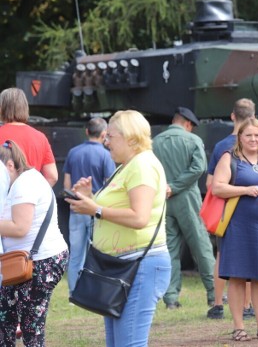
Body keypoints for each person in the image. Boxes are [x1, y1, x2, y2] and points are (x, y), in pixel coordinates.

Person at [65, 110, 170, 347]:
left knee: (128, 344)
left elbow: (139, 217)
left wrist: (96, 210)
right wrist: (89, 198)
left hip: (138, 267)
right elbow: (118, 206)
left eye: (110, 136)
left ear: (130, 137)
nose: (106, 141)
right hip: (123, 268)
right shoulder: (128, 165)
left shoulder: (141, 165)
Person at [211, 118, 258, 342]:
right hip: (237, 225)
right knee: (237, 276)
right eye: (248, 135)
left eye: (257, 136)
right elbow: (217, 187)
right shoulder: (229, 158)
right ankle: (238, 327)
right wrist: (244, 189)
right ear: (240, 138)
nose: (253, 139)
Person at [0, 140, 68, 346]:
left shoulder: (25, 183)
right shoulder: (24, 180)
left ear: (10, 165)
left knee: (31, 330)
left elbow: (20, 228)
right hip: (21, 263)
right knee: (5, 322)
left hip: (40, 262)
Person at [152, 107, 215, 314]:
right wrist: (177, 186)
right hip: (187, 198)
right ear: (188, 124)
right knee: (201, 246)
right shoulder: (192, 140)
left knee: (169, 248)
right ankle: (214, 294)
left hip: (163, 199)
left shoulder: (156, 142)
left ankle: (170, 298)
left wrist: (167, 187)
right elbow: (198, 169)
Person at [205, 98, 258, 320]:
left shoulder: (221, 146)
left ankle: (218, 304)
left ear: (232, 116)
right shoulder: (257, 143)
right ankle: (247, 306)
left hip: (226, 210)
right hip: (251, 207)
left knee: (222, 254)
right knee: (248, 255)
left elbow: (210, 184)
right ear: (253, 117)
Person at [63, 117, 115, 295]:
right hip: (95, 210)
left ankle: (73, 292)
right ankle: (95, 291)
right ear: (103, 134)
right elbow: (109, 187)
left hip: (76, 208)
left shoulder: (73, 152)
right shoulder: (107, 155)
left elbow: (67, 185)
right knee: (98, 252)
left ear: (86, 131)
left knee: (76, 253)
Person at [0, 88, 58, 186]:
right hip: (31, 199)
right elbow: (52, 176)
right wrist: (34, 196)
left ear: (2, 108)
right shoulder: (40, 137)